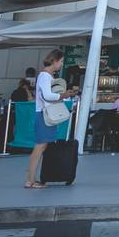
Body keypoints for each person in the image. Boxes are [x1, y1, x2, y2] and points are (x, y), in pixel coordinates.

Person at [24, 49, 78, 189]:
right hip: (44, 114)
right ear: (54, 61)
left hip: (43, 113)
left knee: (40, 147)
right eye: (60, 62)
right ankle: (30, 180)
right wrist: (63, 95)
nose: (61, 64)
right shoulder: (45, 76)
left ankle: (31, 178)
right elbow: (47, 96)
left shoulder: (45, 76)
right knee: (40, 147)